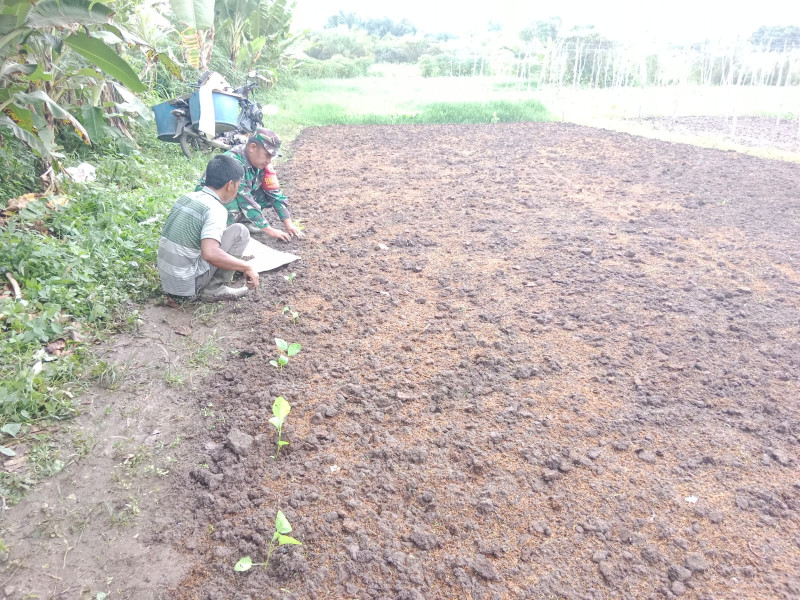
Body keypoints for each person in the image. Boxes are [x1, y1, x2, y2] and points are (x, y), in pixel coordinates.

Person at [158, 155, 259, 300]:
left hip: (168, 279)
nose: (237, 189)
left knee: (234, 230)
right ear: (230, 185)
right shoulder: (215, 209)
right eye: (238, 185)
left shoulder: (187, 197)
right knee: (241, 232)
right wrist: (245, 267)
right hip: (186, 286)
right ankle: (213, 288)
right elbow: (210, 253)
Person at [212, 128, 303, 241]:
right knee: (235, 203)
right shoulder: (235, 162)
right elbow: (244, 199)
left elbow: (275, 193)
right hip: (214, 203)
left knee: (266, 197)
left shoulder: (262, 164)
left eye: (272, 157)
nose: (269, 161)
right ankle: (223, 231)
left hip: (237, 196)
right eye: (267, 155)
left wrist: (288, 224)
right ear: (252, 147)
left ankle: (244, 222)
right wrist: (270, 230)